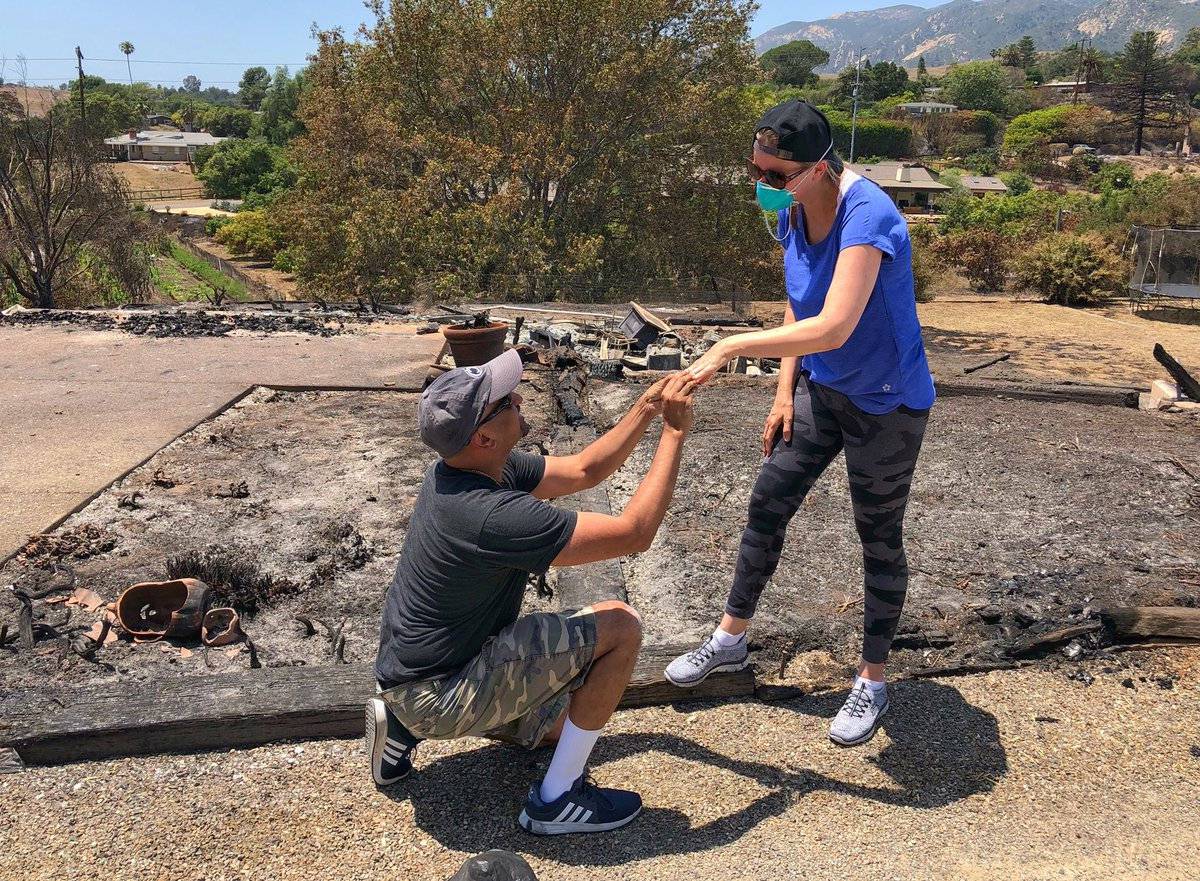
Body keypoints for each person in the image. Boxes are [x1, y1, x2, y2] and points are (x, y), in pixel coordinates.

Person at [664, 99, 935, 747]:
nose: (763, 185)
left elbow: (837, 321)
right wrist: (784, 390)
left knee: (877, 533)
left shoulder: (868, 216)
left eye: (776, 174)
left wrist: (728, 348)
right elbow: (798, 300)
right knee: (768, 497)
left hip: (888, 400)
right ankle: (731, 637)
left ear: (819, 168)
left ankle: (872, 677)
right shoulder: (790, 212)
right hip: (823, 385)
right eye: (754, 170)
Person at [367, 348, 698, 835]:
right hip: (442, 693)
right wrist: (673, 432)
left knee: (564, 725)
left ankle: (400, 726)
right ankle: (556, 799)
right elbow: (634, 534)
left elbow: (586, 470)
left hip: (413, 677)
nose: (519, 398)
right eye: (506, 401)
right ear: (482, 436)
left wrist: (646, 407)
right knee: (621, 626)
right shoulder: (492, 515)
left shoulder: (466, 472)